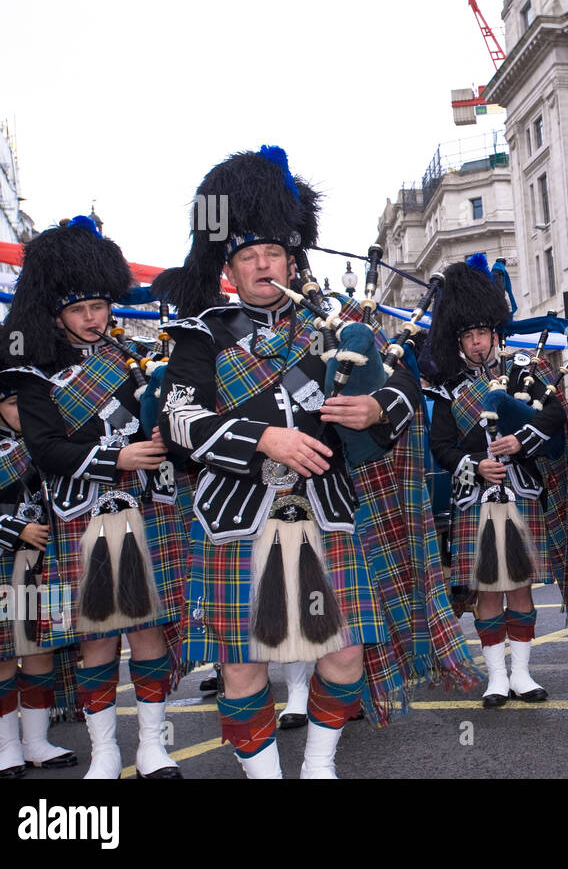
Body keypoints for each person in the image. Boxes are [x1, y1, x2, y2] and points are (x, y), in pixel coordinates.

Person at [156, 146, 429, 778]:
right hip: (235, 514)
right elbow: (176, 423)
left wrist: (377, 409)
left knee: (345, 656)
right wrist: (261, 439)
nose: (260, 266)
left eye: (271, 254)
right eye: (247, 257)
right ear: (231, 268)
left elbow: (408, 389)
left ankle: (319, 767)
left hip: (326, 510)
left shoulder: (336, 326)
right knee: (242, 662)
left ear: (292, 258)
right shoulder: (201, 335)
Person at [3, 216, 190, 780]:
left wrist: (163, 438)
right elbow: (45, 451)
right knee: (96, 640)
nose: (93, 319)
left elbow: (156, 428)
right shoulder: (33, 374)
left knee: (149, 629)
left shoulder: (131, 362)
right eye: (80, 310)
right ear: (55, 311)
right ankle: (106, 751)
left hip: (142, 507)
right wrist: (118, 458)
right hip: (80, 515)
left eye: (100, 307)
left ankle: (152, 745)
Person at [426, 256, 561, 708]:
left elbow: (555, 418)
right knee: (486, 590)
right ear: (458, 340)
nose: (477, 341)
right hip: (474, 499)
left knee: (520, 586)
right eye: (468, 335)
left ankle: (523, 675)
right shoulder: (448, 389)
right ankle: (497, 678)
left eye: (482, 333)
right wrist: (476, 464)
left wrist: (520, 442)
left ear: (495, 334)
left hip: (520, 491)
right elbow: (441, 446)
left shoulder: (525, 373)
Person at [0, 324, 79, 777]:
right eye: (13, 403)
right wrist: (17, 531)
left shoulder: (46, 441)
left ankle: (37, 742)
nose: (23, 409)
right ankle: (4, 749)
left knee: (39, 652)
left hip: (41, 562)